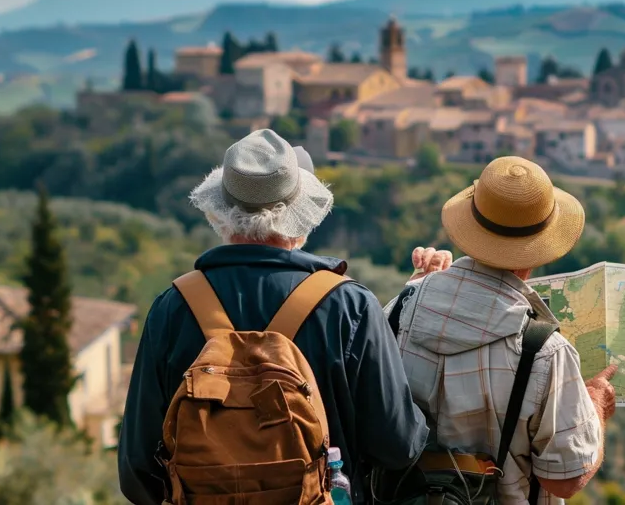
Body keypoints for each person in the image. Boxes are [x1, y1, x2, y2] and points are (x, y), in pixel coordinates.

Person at [117, 129, 441, 505]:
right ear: (300, 216)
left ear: (218, 211)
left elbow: (136, 469)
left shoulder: (172, 309)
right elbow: (398, 446)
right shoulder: (348, 306)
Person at [383, 156, 618, 504]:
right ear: (539, 249)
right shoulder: (545, 351)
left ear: (468, 229)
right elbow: (565, 480)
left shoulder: (398, 309)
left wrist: (417, 287)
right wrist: (595, 404)